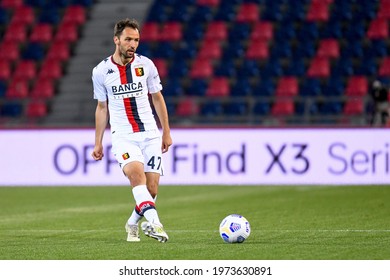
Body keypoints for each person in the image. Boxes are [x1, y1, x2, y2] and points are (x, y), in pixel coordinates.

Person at [91, 18, 172, 243]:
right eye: (128, 39)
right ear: (116, 40)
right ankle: (155, 224)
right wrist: (98, 142)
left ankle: (132, 222)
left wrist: (166, 131)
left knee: (152, 190)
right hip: (124, 136)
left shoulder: (146, 65)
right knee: (136, 177)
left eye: (136, 40)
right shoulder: (101, 71)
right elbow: (101, 107)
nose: (133, 44)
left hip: (150, 134)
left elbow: (157, 98)